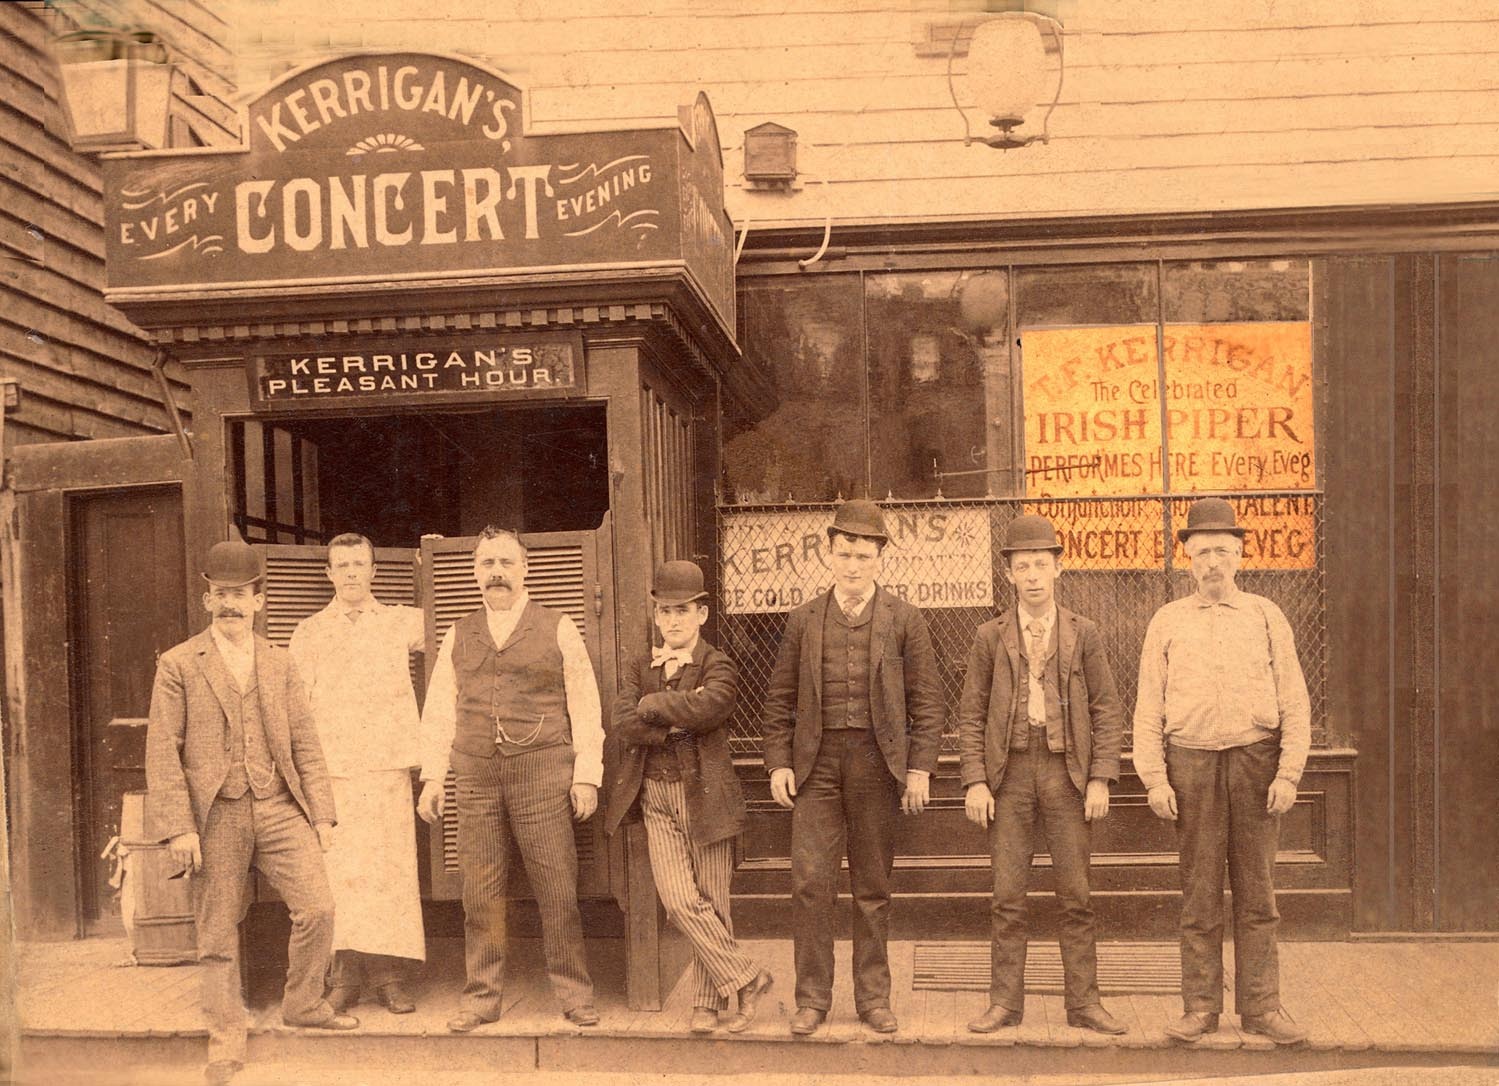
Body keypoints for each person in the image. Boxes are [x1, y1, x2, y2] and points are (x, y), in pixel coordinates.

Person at [145, 539, 356, 1086]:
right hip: (216, 814)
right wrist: (179, 829)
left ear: (259, 601)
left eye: (241, 594)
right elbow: (162, 750)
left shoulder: (280, 661)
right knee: (216, 929)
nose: (232, 604)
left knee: (319, 907)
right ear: (208, 600)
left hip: (280, 806)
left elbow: (306, 742)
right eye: (222, 595)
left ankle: (303, 1003)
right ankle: (225, 1036)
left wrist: (323, 815)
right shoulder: (178, 664)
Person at [761, 499, 945, 1036]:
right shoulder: (803, 619)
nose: (853, 565)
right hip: (815, 767)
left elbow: (928, 702)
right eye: (844, 554)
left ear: (880, 557)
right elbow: (778, 701)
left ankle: (873, 999)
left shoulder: (904, 618)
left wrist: (920, 769)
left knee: (872, 886)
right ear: (830, 554)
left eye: (864, 555)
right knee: (811, 884)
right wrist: (777, 764)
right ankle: (812, 999)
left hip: (876, 764)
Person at [1134, 497, 1311, 1046]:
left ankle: (1262, 1007)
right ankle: (1201, 1008)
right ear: (1186, 557)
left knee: (1258, 894)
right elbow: (1147, 707)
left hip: (1256, 764)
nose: (1213, 562)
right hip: (1190, 765)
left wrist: (1288, 773)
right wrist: (1155, 779)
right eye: (1203, 551)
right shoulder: (1167, 621)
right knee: (1200, 893)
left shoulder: (1265, 616)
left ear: (1240, 557)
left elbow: (1295, 701)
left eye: (1224, 551)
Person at [417, 526, 602, 1032]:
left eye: (506, 563)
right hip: (475, 777)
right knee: (479, 889)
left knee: (556, 885)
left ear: (526, 569)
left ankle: (573, 992)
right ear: (475, 572)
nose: (496, 573)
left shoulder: (558, 627)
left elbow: (585, 703)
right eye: (486, 564)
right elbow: (438, 711)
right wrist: (433, 777)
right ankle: (481, 996)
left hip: (543, 773)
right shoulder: (459, 633)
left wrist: (587, 775)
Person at [956, 514, 1128, 1036]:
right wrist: (975, 780)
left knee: (1076, 894)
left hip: (1066, 774)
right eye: (1021, 565)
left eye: (1040, 564)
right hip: (1008, 774)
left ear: (1058, 568)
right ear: (1008, 574)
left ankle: (1084, 1004)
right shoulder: (990, 636)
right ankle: (1005, 1004)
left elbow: (1107, 710)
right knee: (1008, 895)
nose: (1032, 575)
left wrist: (1100, 776)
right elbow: (970, 712)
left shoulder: (1085, 633)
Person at [604, 560, 774, 1036]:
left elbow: (710, 708)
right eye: (664, 612)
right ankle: (748, 976)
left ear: (702, 614)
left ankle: (706, 1001)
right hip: (655, 796)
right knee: (679, 901)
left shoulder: (718, 664)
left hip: (706, 798)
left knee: (712, 901)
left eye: (682, 611)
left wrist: (654, 706)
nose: (672, 621)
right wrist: (671, 720)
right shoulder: (641, 666)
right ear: (656, 616)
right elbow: (623, 722)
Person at [289, 533, 426, 1016]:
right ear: (328, 573)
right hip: (334, 773)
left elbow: (454, 620)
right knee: (340, 876)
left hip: (385, 768)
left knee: (389, 872)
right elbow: (297, 709)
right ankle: (343, 976)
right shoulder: (308, 632)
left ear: (374, 570)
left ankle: (389, 975)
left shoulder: (398, 622)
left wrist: (427, 558)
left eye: (359, 564)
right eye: (341, 565)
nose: (350, 573)